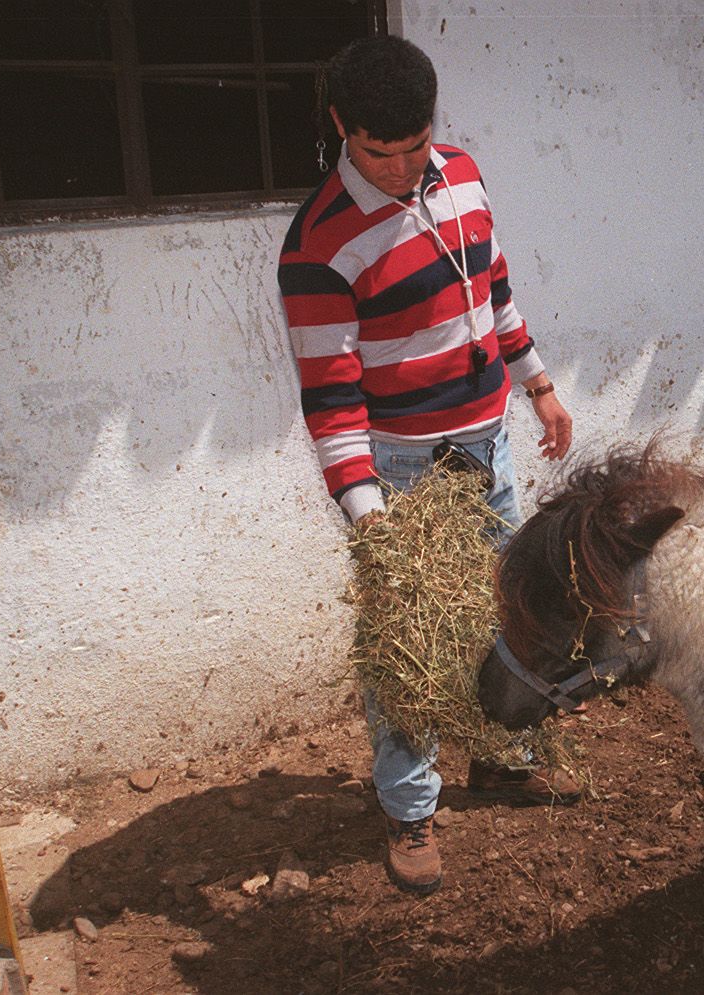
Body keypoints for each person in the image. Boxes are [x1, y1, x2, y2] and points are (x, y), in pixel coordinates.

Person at [277, 35, 578, 896]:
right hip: (405, 471)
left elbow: (495, 289)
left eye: (417, 144)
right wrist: (373, 523)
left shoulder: (462, 173)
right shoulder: (317, 246)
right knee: (404, 646)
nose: (407, 166)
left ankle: (506, 756)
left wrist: (539, 385)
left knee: (510, 603)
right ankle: (411, 809)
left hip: (491, 442)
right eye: (382, 151)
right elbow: (331, 402)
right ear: (341, 126)